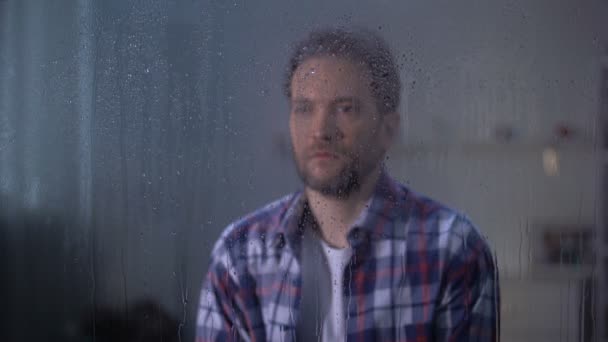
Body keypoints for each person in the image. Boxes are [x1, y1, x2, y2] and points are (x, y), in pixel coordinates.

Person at [196, 27, 499, 341]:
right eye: (304, 108)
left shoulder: (452, 248)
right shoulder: (239, 254)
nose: (320, 130)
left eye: (345, 108)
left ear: (388, 130)